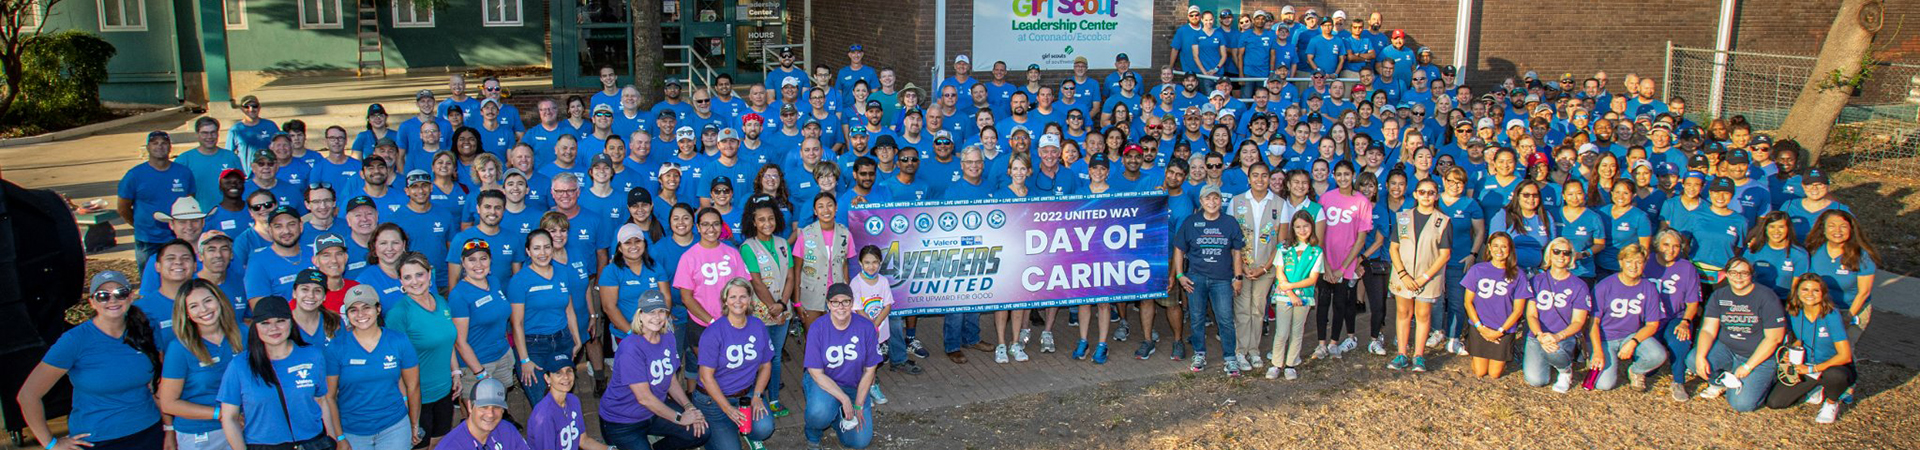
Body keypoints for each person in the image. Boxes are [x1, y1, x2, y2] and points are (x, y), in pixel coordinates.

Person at [18, 271, 164, 450]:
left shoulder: (146, 330)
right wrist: (50, 443)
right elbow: (28, 395)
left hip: (149, 432)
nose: (113, 300)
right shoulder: (74, 340)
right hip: (98, 439)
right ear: (92, 302)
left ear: (130, 297)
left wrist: (169, 428)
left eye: (120, 293)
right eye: (103, 296)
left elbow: (157, 384)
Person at [217, 297, 341, 450]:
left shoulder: (313, 355)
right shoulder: (239, 365)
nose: (273, 328)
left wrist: (333, 439)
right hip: (264, 445)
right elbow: (229, 417)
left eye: (280, 321)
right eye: (265, 323)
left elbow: (321, 400)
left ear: (291, 321)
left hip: (313, 442)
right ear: (255, 327)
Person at [599, 290, 710, 450]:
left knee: (701, 432)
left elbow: (670, 379)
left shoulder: (668, 337)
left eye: (661, 312)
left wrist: (688, 407)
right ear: (640, 315)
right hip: (623, 420)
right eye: (651, 312)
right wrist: (680, 418)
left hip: (654, 412)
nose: (657, 317)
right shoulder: (630, 347)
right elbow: (644, 398)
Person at [327, 285, 423, 450]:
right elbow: (329, 396)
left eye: (366, 307)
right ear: (347, 315)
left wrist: (414, 424)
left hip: (394, 427)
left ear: (378, 309)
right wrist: (340, 436)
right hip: (353, 432)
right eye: (353, 310)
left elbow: (413, 386)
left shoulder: (398, 341)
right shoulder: (336, 347)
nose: (361, 314)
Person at [158, 277, 246, 450]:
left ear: (219, 300)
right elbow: (168, 403)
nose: (204, 309)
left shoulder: (243, 333)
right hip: (203, 433)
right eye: (194, 306)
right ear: (186, 313)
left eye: (208, 301)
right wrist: (221, 414)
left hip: (245, 425)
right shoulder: (179, 348)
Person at [1692, 257, 1787, 412]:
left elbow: (1774, 338)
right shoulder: (1719, 295)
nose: (1738, 277)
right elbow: (1708, 329)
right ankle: (1725, 379)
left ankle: (1762, 380)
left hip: (1758, 356)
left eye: (1744, 273)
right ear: (1726, 274)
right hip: (1728, 349)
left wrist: (1748, 366)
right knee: (1693, 360)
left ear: (1751, 275)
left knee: (1741, 404)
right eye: (1733, 272)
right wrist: (1700, 356)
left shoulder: (1767, 297)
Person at [385, 253, 460, 446]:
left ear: (429, 274)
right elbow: (394, 363)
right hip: (418, 398)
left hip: (444, 391)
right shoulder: (399, 314)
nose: (414, 282)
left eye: (419, 275)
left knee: (439, 443)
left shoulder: (441, 302)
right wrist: (407, 406)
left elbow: (447, 339)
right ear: (400, 280)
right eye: (407, 277)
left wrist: (456, 371)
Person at [694, 279, 778, 450]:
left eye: (743, 297)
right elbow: (706, 377)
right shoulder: (713, 332)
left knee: (764, 428)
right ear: (725, 301)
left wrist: (757, 395)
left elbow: (766, 365)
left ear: (750, 300)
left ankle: (744, 432)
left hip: (745, 395)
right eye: (732, 297)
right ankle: (718, 430)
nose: (738, 302)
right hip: (713, 400)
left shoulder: (757, 325)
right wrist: (727, 409)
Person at [1174, 185, 1246, 376]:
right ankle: (1199, 353)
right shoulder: (1191, 222)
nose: (1212, 202)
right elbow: (1179, 248)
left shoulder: (1230, 223)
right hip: (1196, 278)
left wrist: (1238, 277)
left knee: (1225, 319)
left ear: (1221, 201)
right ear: (1201, 201)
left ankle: (1230, 357)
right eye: (1208, 199)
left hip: (1222, 279)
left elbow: (1236, 252)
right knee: (1197, 318)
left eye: (1216, 198)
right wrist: (1180, 275)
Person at [1764, 274, 1856, 423]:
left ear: (1823, 293)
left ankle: (1832, 402)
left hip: (1831, 366)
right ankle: (1818, 388)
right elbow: (1800, 338)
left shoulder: (1831, 314)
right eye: (1805, 289)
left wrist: (1813, 369)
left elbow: (1845, 356)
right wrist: (1791, 351)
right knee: (1775, 403)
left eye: (1815, 290)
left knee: (1835, 376)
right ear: (1797, 292)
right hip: (1807, 366)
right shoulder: (1795, 312)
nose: (1810, 294)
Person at [802, 283, 882, 450]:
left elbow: (870, 371)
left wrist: (858, 404)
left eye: (846, 301)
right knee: (819, 413)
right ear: (828, 304)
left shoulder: (866, 327)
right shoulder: (818, 327)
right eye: (835, 302)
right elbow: (816, 372)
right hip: (824, 383)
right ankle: (813, 432)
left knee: (859, 441)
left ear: (852, 303)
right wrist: (844, 399)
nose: (841, 307)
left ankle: (837, 417)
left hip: (854, 385)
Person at [509, 229, 583, 403]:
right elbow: (517, 323)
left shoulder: (562, 272)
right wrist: (524, 359)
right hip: (534, 346)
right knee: (542, 401)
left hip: (562, 341)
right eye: (536, 248)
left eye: (546, 247)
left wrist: (577, 339)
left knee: (563, 395)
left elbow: (569, 309)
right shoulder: (519, 281)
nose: (542, 253)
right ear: (528, 251)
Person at [1387, 179, 1451, 372]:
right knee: (1403, 313)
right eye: (1422, 192)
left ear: (1436, 196)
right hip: (1403, 276)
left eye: (1431, 192)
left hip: (1428, 278)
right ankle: (1401, 354)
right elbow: (1394, 248)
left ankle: (1419, 356)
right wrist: (1403, 274)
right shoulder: (1403, 217)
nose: (1426, 196)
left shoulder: (1443, 221)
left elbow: (1444, 254)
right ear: (1415, 194)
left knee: (1423, 315)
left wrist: (1424, 277)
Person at [1586, 244, 1669, 391]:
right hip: (1606, 337)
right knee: (1604, 385)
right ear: (1621, 262)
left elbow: (1652, 324)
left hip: (1630, 335)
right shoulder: (1605, 285)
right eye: (1629, 261)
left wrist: (1633, 342)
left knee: (1658, 355)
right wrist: (1598, 351)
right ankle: (1595, 356)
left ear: (1644, 264)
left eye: (1639, 262)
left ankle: (1636, 371)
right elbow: (1593, 322)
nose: (1634, 266)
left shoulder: (1648, 287)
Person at [1315, 161, 1371, 359]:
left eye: (1347, 174)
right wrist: (1327, 266)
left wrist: (1343, 267)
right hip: (1325, 261)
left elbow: (1361, 239)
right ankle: (1321, 343)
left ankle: (1333, 343)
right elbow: (1318, 234)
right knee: (1322, 302)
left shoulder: (1361, 202)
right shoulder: (1326, 198)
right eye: (1338, 174)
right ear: (1333, 175)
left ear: (1353, 175)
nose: (1343, 178)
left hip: (1346, 263)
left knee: (1340, 303)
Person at [1228, 162, 1281, 370]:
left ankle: (1254, 351)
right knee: (1241, 310)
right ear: (1248, 179)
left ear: (1269, 178)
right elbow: (1233, 239)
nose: (1260, 180)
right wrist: (1240, 268)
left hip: (1265, 269)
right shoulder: (1237, 201)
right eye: (1255, 175)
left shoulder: (1279, 203)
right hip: (1242, 267)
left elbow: (1281, 242)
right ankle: (1240, 351)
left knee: (1258, 310)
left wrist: (1265, 268)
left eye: (1264, 175)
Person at [1523, 238, 1593, 393]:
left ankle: (1565, 370)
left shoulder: (1579, 285)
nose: (1561, 256)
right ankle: (1550, 359)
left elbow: (1578, 321)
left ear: (1571, 257)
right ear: (1550, 254)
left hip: (1563, 337)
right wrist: (1540, 335)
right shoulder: (1536, 281)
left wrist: (1557, 337)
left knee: (1555, 352)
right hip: (1537, 336)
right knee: (1536, 380)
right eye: (1557, 251)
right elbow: (1531, 314)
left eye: (1566, 253)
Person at [449, 238, 516, 398]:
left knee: (499, 404)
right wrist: (480, 372)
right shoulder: (459, 295)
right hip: (479, 363)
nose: (478, 265)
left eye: (483, 258)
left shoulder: (494, 281)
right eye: (471, 260)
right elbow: (459, 342)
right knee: (479, 413)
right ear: (463, 263)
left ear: (490, 260)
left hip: (502, 355)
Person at [1461, 232, 1532, 379]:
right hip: (1480, 326)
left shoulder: (1518, 274)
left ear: (1510, 249)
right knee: (1480, 372)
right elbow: (1468, 302)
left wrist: (1499, 331)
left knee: (1494, 374)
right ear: (1489, 248)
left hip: (1503, 329)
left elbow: (1518, 310)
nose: (1499, 250)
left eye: (1504, 247)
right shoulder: (1477, 270)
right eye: (1496, 246)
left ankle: (1504, 352)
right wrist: (1480, 327)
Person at [120, 131, 197, 264]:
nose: (159, 146)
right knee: (149, 280)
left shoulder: (183, 172)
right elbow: (123, 208)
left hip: (177, 238)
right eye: (155, 143)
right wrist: (139, 225)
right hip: (147, 240)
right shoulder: (134, 175)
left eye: (164, 143)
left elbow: (189, 201)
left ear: (170, 147)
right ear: (148, 147)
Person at [1265, 211, 1323, 380]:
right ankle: (1276, 364)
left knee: (1297, 331)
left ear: (1312, 227)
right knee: (1281, 332)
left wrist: (1292, 287)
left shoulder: (1316, 251)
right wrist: (1290, 292)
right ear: (1293, 228)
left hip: (1304, 297)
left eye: (1305, 226)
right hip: (1284, 296)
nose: (1302, 230)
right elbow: (1279, 272)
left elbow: (1312, 278)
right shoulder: (1284, 247)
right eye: (1298, 227)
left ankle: (1291, 364)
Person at [1649, 229, 1704, 401]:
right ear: (1658, 245)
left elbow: (1693, 302)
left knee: (1680, 339)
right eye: (1666, 244)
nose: (1670, 250)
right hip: (1650, 318)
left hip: (1675, 316)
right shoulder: (1646, 262)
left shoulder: (1687, 268)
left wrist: (1686, 321)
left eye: (1675, 246)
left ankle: (1678, 381)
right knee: (1650, 364)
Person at [524, 352, 612, 450]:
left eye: (569, 371)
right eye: (558, 372)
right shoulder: (544, 415)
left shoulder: (573, 400)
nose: (566, 377)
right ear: (547, 378)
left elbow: (583, 440)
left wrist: (610, 449)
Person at [435, 379, 531, 449]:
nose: (490, 414)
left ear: (503, 410)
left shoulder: (507, 430)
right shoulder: (451, 446)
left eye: (496, 407)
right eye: (484, 407)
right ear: (470, 406)